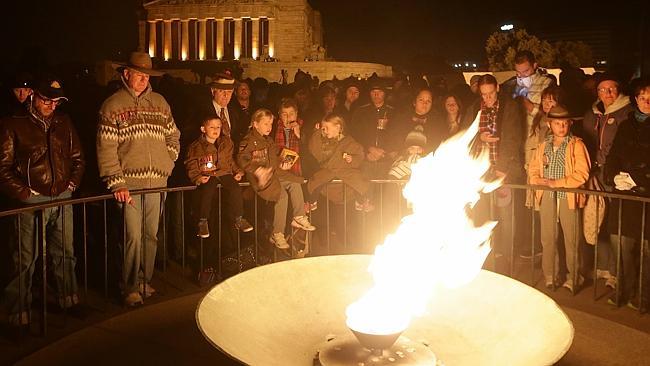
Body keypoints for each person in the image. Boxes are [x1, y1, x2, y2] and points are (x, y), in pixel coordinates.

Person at [97, 52, 180, 307]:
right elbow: (106, 148)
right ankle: (130, 286)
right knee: (132, 236)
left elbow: (173, 136)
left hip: (157, 181)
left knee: (150, 235)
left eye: (147, 75)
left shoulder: (160, 102)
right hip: (129, 185)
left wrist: (169, 160)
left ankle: (145, 279)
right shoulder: (112, 105)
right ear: (126, 74)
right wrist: (116, 181)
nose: (143, 79)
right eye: (139, 75)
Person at [0, 77, 85, 327]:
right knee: (25, 258)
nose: (52, 105)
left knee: (65, 252)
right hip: (30, 202)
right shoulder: (12, 124)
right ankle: (18, 312)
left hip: (62, 197)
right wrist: (24, 192)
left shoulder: (64, 122)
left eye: (56, 101)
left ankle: (68, 299)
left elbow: (78, 157)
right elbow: (2, 167)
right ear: (33, 96)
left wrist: (71, 185)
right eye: (47, 100)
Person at [465, 74, 526, 271]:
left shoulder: (510, 106)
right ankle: (487, 254)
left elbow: (512, 138)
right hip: (480, 174)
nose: (487, 98)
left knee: (506, 216)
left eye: (491, 94)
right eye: (484, 95)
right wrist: (480, 137)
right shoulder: (474, 108)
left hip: (503, 173)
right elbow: (465, 135)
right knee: (482, 215)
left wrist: (501, 169)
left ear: (497, 88)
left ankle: (507, 258)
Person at [528, 106, 590, 293]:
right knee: (548, 237)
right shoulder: (543, 146)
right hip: (547, 196)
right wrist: (538, 180)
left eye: (564, 123)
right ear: (549, 124)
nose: (561, 126)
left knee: (572, 239)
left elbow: (582, 174)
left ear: (570, 123)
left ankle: (574, 277)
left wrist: (558, 183)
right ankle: (551, 275)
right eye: (557, 123)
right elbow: (532, 170)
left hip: (568, 197)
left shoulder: (577, 145)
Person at [580, 73, 634, 288]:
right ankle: (602, 266)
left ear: (618, 90)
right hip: (595, 173)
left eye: (611, 89)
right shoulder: (592, 113)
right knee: (597, 219)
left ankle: (616, 271)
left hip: (616, 175)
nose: (607, 93)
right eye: (603, 89)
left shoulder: (627, 112)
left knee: (615, 224)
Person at [237, 108, 315, 250]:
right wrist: (258, 170)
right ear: (255, 124)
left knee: (295, 183)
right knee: (282, 195)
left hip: (275, 174)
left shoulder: (269, 141)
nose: (269, 127)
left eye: (271, 124)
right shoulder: (248, 141)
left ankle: (299, 217)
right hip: (261, 179)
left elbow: (274, 161)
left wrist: (282, 164)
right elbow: (242, 159)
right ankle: (277, 233)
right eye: (265, 124)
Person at [603, 78, 650, 310]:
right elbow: (613, 156)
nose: (647, 102)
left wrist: (638, 179)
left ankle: (643, 296)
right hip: (625, 197)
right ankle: (623, 289)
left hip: (646, 198)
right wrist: (613, 177)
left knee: (645, 250)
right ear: (636, 98)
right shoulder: (626, 125)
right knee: (621, 245)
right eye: (642, 97)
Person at [185, 115, 253, 238]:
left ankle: (239, 218)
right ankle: (203, 221)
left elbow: (230, 160)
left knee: (235, 189)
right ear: (203, 129)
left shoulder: (226, 142)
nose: (215, 129)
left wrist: (238, 171)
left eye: (218, 127)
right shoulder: (196, 147)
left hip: (224, 173)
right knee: (207, 190)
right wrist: (197, 177)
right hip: (208, 174)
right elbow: (191, 164)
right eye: (211, 127)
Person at [502, 50, 554, 170]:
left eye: (526, 71)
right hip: (515, 140)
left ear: (535, 65)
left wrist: (529, 106)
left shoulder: (546, 84)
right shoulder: (510, 86)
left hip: (535, 139)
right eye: (518, 72)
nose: (522, 76)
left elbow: (551, 115)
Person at [307, 114, 370, 212]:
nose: (325, 131)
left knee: (359, 182)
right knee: (316, 182)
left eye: (327, 128)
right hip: (328, 172)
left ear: (338, 127)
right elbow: (314, 151)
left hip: (346, 172)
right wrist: (316, 133)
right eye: (323, 128)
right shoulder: (324, 142)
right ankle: (311, 202)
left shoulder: (350, 142)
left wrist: (352, 159)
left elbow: (359, 156)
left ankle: (361, 202)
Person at [350, 82, 398, 178]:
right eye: (373, 92)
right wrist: (368, 148)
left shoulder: (394, 112)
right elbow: (354, 134)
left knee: (384, 190)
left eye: (379, 91)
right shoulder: (360, 112)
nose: (376, 94)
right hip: (365, 160)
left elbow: (397, 134)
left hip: (386, 160)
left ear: (384, 93)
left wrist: (385, 152)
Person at [206, 73, 246, 146]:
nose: (226, 95)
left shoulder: (236, 111)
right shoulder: (203, 112)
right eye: (222, 91)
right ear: (213, 91)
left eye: (229, 92)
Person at [274, 98, 304, 176]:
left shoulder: (305, 127)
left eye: (291, 114)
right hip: (278, 172)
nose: (288, 117)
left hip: (298, 172)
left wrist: (298, 134)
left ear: (296, 114)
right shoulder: (273, 129)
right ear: (280, 115)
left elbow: (307, 151)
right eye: (284, 114)